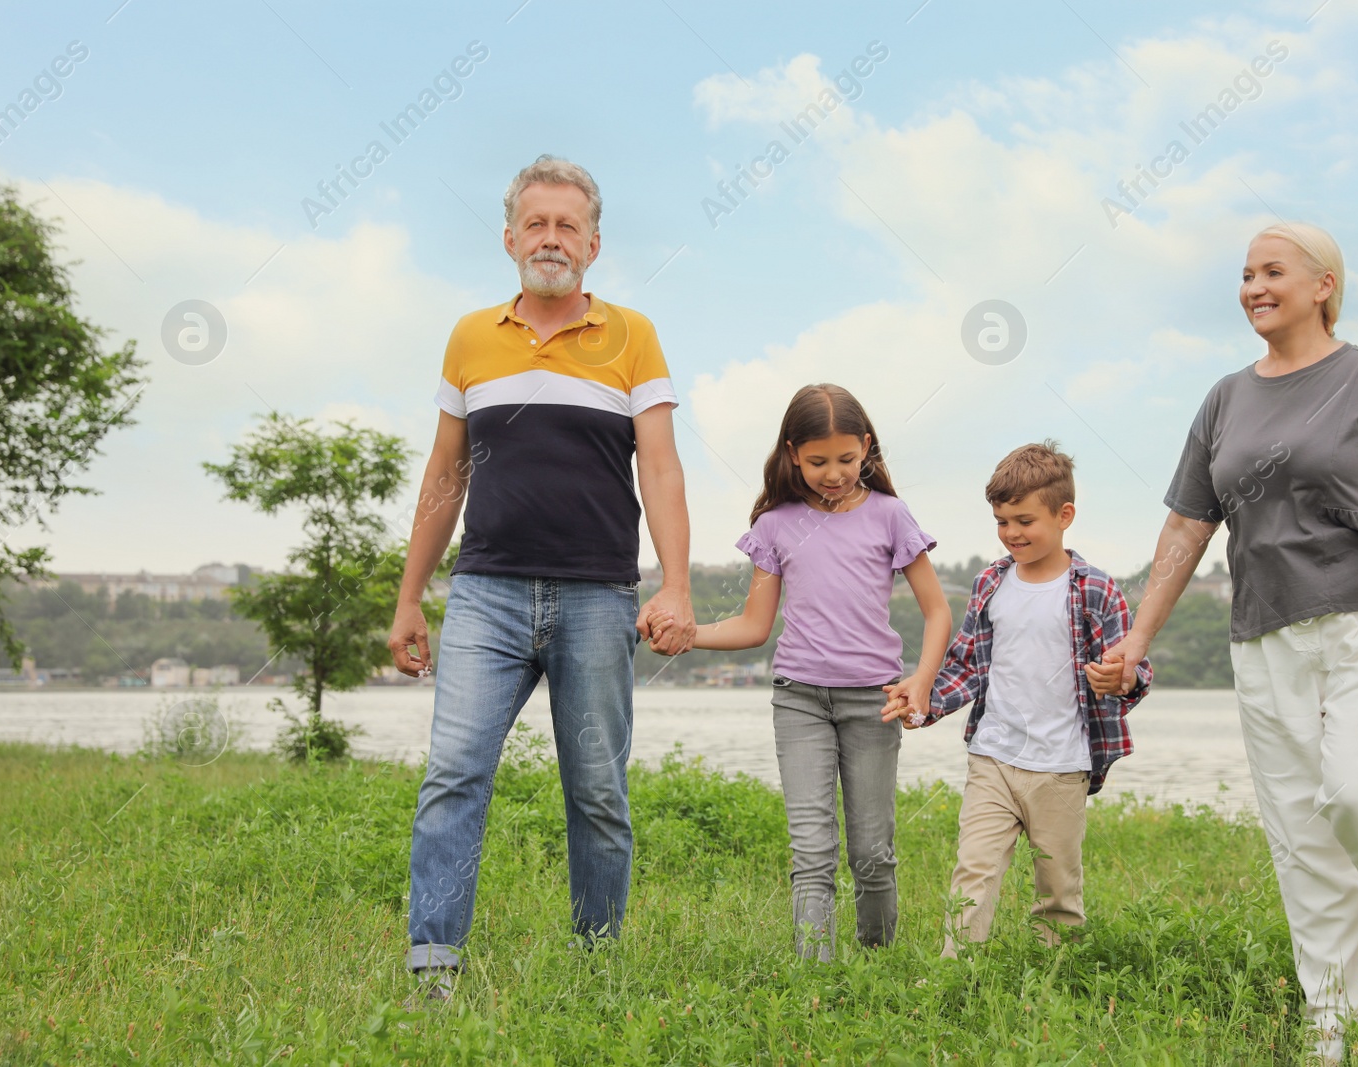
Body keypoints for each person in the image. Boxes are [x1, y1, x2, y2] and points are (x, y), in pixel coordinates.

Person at [1089, 222, 1358, 1063]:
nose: (1254, 285)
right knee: (1300, 831)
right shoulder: (1225, 398)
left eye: (1273, 271)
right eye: (1245, 273)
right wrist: (1139, 636)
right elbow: (1186, 525)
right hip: (1264, 638)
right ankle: (1334, 1020)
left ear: (1324, 283)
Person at [387, 156, 696, 1001]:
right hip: (485, 594)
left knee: (597, 790)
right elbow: (444, 475)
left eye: (568, 226)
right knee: (453, 773)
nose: (551, 238)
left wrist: (674, 585)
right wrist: (411, 597)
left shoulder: (634, 336)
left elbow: (661, 472)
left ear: (593, 244)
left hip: (598, 595)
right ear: (510, 237)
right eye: (536, 223)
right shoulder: (469, 337)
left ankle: (597, 967)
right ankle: (434, 972)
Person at [650, 384, 951, 960]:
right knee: (812, 851)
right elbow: (753, 626)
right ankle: (817, 979)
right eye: (817, 462)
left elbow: (937, 610)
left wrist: (922, 680)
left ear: (866, 447)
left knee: (871, 851)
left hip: (874, 701)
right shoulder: (776, 524)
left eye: (845, 459)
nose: (833, 473)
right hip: (800, 701)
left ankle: (877, 959)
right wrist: (690, 636)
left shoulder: (890, 516)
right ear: (792, 453)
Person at [884, 442, 1150, 958]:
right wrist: (926, 705)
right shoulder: (991, 581)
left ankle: (1057, 977)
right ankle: (952, 975)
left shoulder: (1095, 590)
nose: (1012, 534)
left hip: (1062, 765)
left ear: (1064, 514)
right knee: (974, 869)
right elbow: (965, 665)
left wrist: (1119, 678)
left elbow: (1135, 671)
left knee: (1058, 887)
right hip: (993, 757)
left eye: (1024, 520)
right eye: (1002, 522)